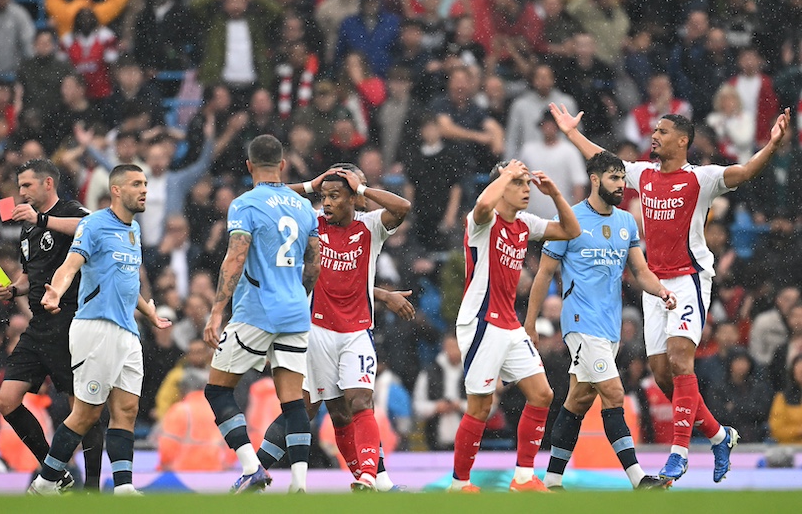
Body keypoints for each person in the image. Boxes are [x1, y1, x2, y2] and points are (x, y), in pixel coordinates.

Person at [549, 102, 792, 483]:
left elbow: (743, 172)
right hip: (654, 284)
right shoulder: (643, 174)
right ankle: (719, 435)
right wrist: (570, 133)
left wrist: (773, 146)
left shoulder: (702, 178)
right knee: (665, 377)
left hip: (689, 279)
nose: (654, 137)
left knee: (681, 359)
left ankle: (678, 456)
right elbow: (603, 159)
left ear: (682, 140)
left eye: (661, 132)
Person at [252, 164, 414, 491]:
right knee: (321, 411)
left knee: (358, 402)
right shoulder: (313, 222)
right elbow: (268, 197)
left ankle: (371, 478)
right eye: (324, 196)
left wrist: (363, 189)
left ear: (354, 196)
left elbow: (402, 207)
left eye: (334, 195)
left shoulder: (370, 226)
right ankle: (256, 469)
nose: (327, 202)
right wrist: (312, 185)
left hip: (356, 331)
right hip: (315, 331)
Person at [524, 151, 674, 491]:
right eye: (614, 178)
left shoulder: (626, 223)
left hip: (610, 327)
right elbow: (544, 273)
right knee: (613, 391)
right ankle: (638, 479)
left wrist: (662, 291)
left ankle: (551, 480)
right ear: (595, 180)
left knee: (577, 400)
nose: (621, 185)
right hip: (580, 321)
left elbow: (641, 271)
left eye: (623, 179)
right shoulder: (570, 221)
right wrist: (530, 323)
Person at [28, 164, 172, 495]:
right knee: (87, 413)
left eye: (146, 183)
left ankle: (123, 488)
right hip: (96, 328)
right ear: (117, 190)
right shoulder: (94, 224)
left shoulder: (133, 230)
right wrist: (56, 290)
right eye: (137, 183)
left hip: (127, 332)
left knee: (126, 410)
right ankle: (44, 484)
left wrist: (149, 313)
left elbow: (128, 281)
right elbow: (70, 265)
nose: (145, 189)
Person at [451, 159, 580, 493]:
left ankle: (523, 478)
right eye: (518, 183)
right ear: (502, 186)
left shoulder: (525, 223)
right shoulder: (482, 221)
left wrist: (554, 195)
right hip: (480, 322)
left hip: (509, 324)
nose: (526, 189)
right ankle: (459, 483)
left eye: (526, 183)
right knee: (480, 406)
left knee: (542, 395)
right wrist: (505, 172)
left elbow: (571, 230)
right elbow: (482, 204)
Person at [202, 135, 321, 494]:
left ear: (249, 166)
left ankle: (252, 467)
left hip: (256, 311)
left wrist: (217, 311)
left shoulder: (245, 204)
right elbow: (314, 265)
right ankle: (299, 485)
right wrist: (296, 294)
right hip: (296, 311)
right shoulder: (303, 208)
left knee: (217, 391)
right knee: (292, 401)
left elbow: (236, 256)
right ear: (283, 165)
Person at [0, 159, 104, 491]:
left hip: (71, 321)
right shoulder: (27, 227)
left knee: (81, 408)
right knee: (6, 400)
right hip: (39, 324)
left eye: (26, 185)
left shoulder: (71, 211)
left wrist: (42, 218)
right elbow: (30, 275)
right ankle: (55, 472)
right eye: (20, 186)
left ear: (48, 184)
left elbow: (93, 229)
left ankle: (94, 488)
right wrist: (14, 288)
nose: (21, 192)